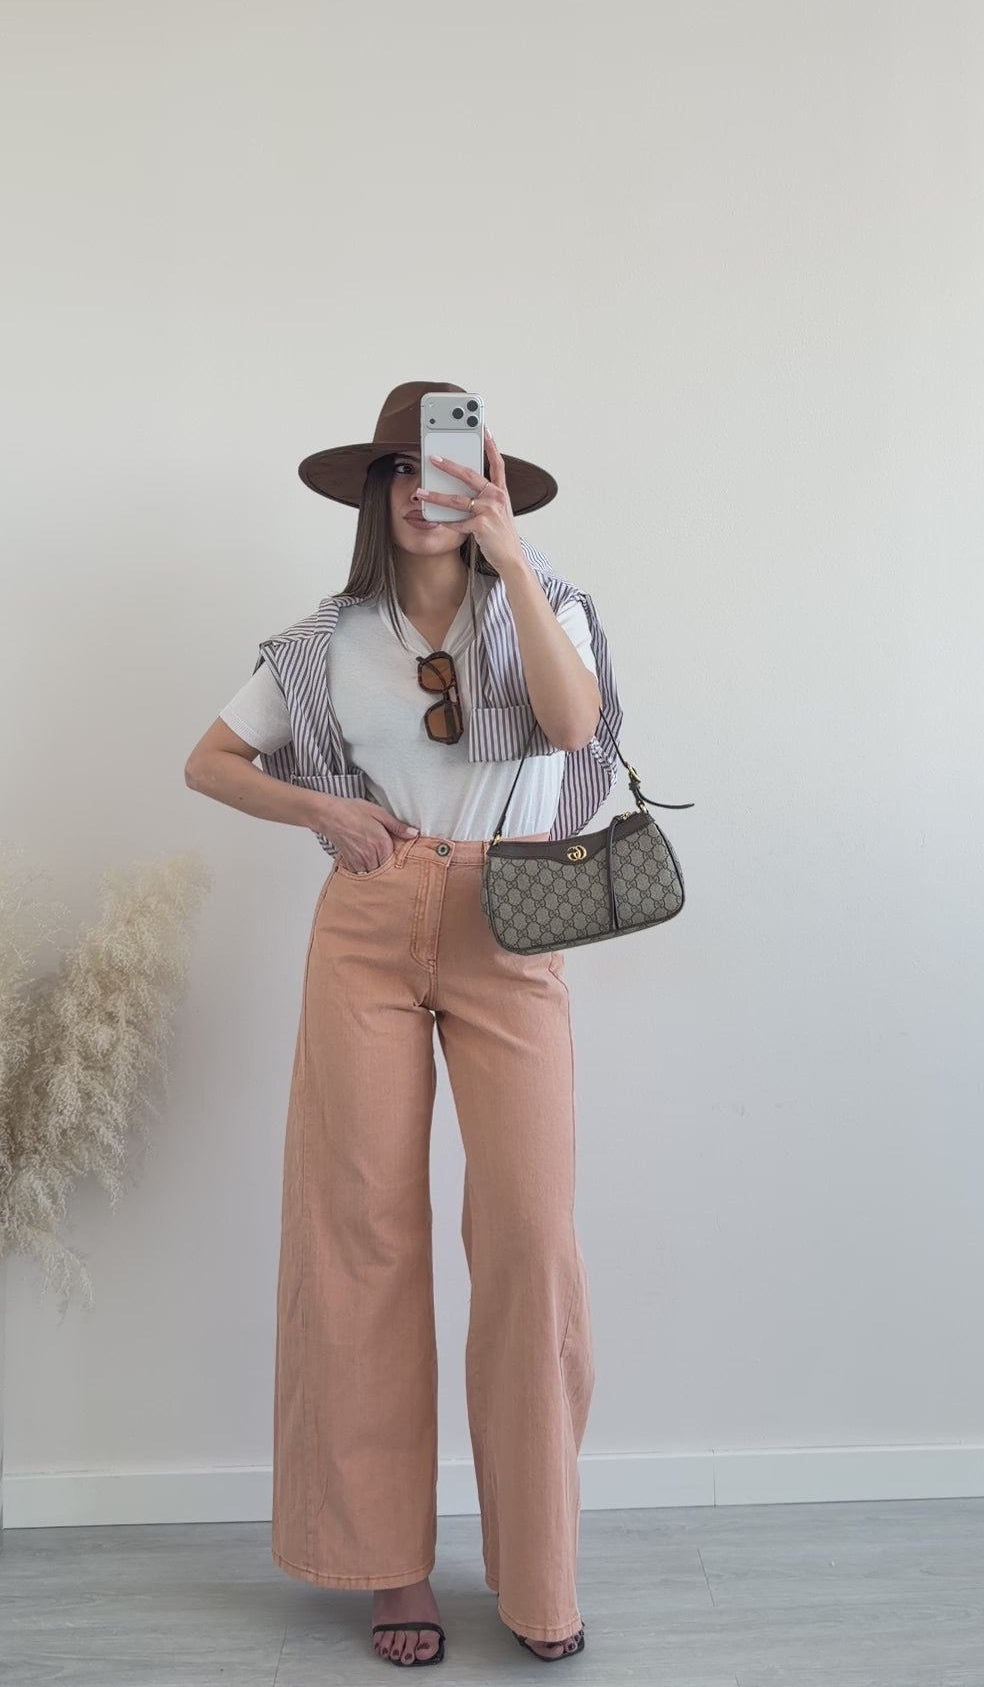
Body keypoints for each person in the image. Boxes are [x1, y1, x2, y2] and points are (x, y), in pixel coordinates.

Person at [184, 383, 624, 1667]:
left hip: (511, 919)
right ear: (376, 491)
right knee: (361, 1234)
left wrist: (513, 559)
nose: (427, 490)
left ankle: (540, 1576)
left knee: (531, 1237)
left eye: (454, 469)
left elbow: (574, 727)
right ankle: (388, 1567)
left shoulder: (549, 605)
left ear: (488, 484)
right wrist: (321, 810)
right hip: (370, 922)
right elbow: (209, 761)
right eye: (404, 470)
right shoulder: (324, 642)